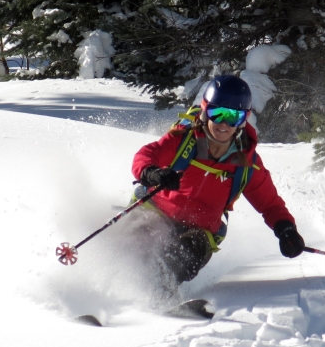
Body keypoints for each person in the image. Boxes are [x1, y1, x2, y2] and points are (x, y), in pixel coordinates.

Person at [131, 75, 305, 299]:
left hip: (200, 230)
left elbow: (269, 203)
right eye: (218, 113)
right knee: (136, 241)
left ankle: (157, 295)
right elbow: (146, 155)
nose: (224, 124)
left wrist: (286, 230)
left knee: (190, 249)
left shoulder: (246, 162)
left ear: (244, 119)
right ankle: (104, 294)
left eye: (233, 116)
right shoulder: (184, 140)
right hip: (157, 211)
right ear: (205, 110)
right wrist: (152, 173)